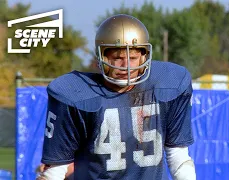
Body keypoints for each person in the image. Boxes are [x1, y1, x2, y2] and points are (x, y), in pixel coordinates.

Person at [37, 14, 196, 180]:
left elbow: (178, 157)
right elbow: (55, 172)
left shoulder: (169, 85)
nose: (126, 66)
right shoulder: (75, 95)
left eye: (133, 58)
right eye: (118, 58)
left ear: (144, 57)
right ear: (102, 57)